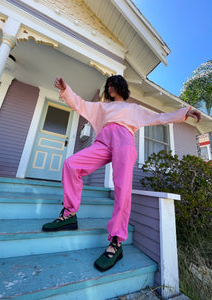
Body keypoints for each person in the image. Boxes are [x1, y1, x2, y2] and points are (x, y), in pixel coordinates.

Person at [42, 75, 201, 272]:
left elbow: (159, 117)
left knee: (122, 188)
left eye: (112, 85)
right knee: (71, 164)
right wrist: (66, 90)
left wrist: (185, 112)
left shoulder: (132, 109)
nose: (109, 88)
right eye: (108, 85)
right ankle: (69, 214)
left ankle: (116, 242)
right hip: (102, 141)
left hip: (124, 141)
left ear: (120, 87)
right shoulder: (103, 107)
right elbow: (80, 104)